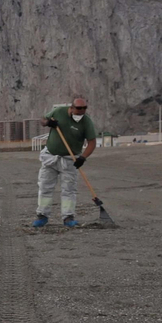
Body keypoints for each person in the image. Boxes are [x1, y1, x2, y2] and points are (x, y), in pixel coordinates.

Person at [35, 97, 98, 228]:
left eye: (84, 109)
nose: (81, 112)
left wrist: (83, 158)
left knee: (69, 190)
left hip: (71, 159)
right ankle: (42, 215)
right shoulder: (58, 112)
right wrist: (48, 123)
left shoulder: (86, 122)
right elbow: (42, 120)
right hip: (50, 157)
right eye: (79, 109)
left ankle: (68, 217)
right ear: (71, 108)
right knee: (45, 187)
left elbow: (92, 142)